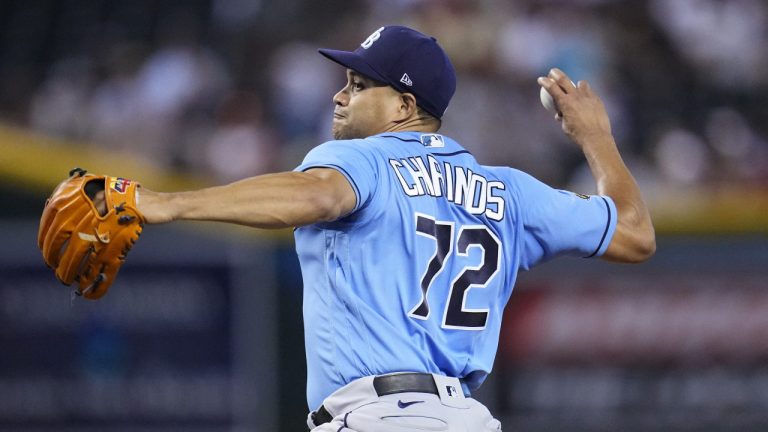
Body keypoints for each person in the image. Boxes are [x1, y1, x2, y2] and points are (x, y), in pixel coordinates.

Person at [133, 26, 655, 431]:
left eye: (359, 86)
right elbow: (635, 234)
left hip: (376, 417)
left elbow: (315, 195)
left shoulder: (362, 160)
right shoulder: (511, 192)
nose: (340, 97)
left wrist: (167, 204)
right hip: (466, 418)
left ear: (405, 107)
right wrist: (596, 136)